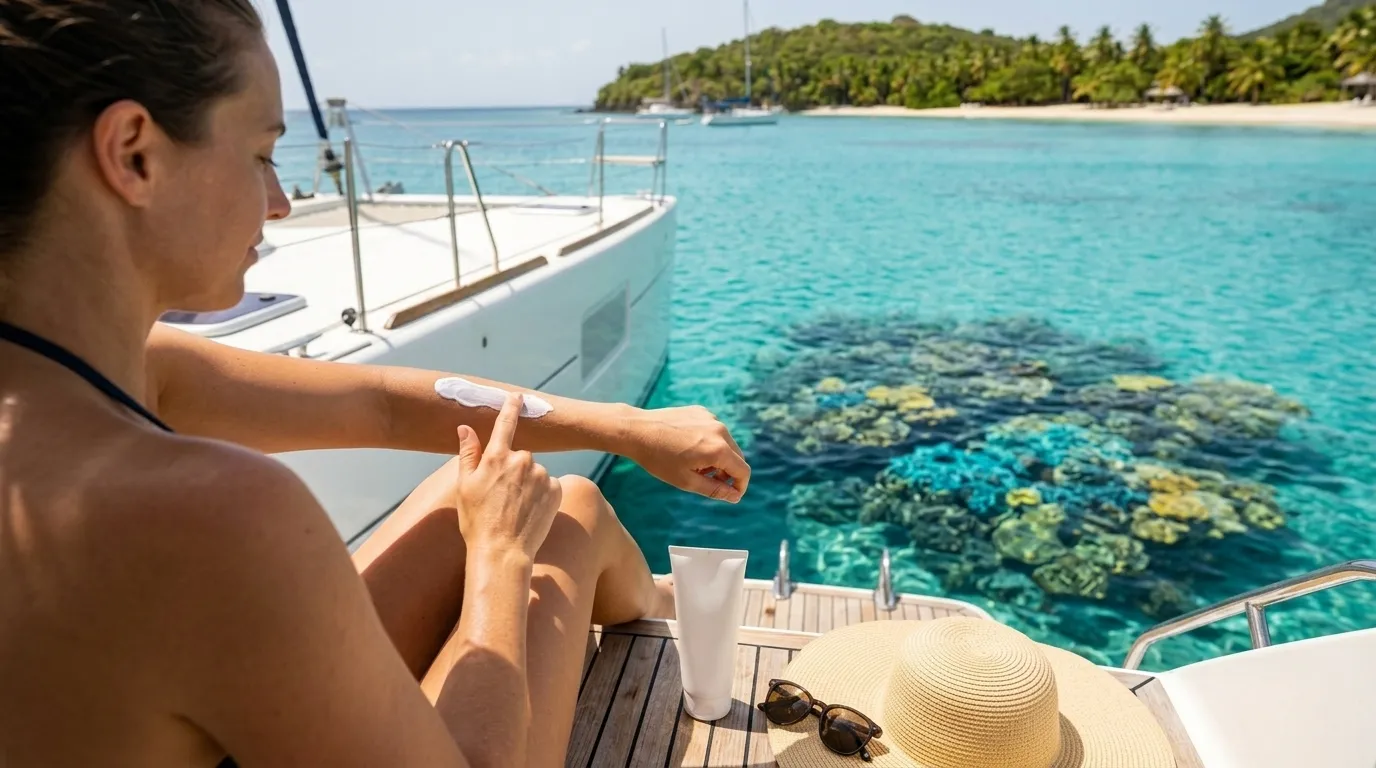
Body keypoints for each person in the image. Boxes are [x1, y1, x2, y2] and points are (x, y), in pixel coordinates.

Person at [0, 2, 750, 766]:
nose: (282, 201)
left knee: (540, 499)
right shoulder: (216, 516)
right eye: (262, 154)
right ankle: (665, 616)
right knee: (562, 521)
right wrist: (497, 562)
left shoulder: (119, 366)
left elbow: (381, 405)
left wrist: (624, 427)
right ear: (134, 155)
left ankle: (653, 605)